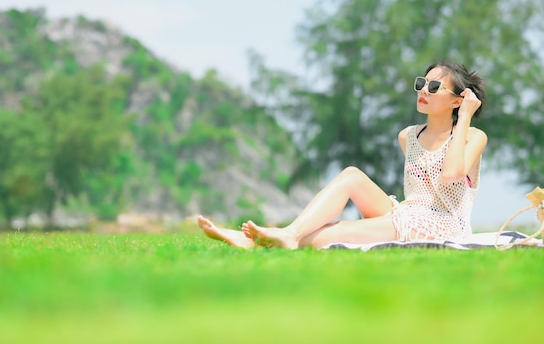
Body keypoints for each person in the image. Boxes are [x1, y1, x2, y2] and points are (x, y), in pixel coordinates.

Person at [197, 61, 487, 249]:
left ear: (457, 100)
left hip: (444, 226)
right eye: (421, 83)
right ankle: (288, 233)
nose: (424, 90)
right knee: (351, 175)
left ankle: (259, 241)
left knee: (340, 231)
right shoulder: (408, 136)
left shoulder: (473, 136)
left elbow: (450, 176)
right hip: (407, 213)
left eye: (434, 87)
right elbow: (417, 197)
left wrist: (464, 118)